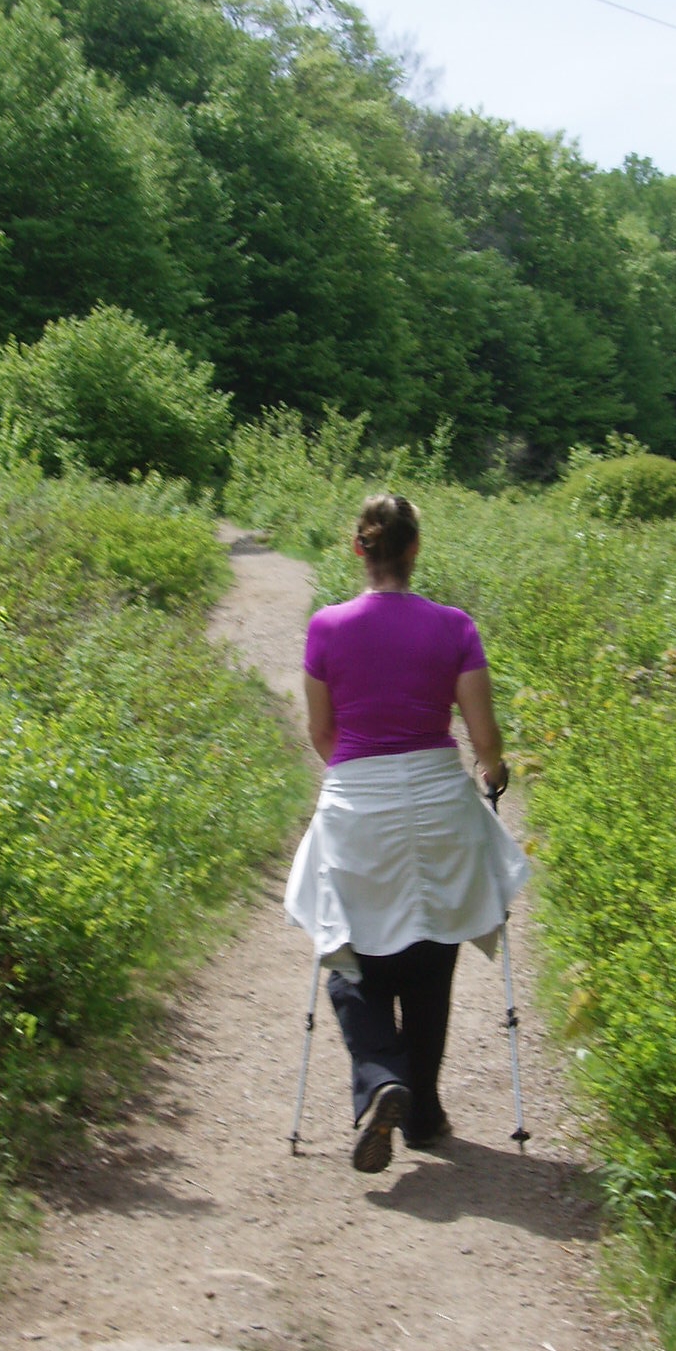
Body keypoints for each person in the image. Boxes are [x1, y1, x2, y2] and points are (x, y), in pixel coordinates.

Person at [284, 493, 528, 1173]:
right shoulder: (455, 627)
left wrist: (363, 777)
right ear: (415, 549)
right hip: (438, 797)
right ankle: (422, 1112)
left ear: (358, 550)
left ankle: (381, 1076)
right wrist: (496, 770)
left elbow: (322, 734)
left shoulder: (326, 627)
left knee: (347, 949)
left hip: (358, 801)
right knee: (431, 952)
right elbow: (483, 740)